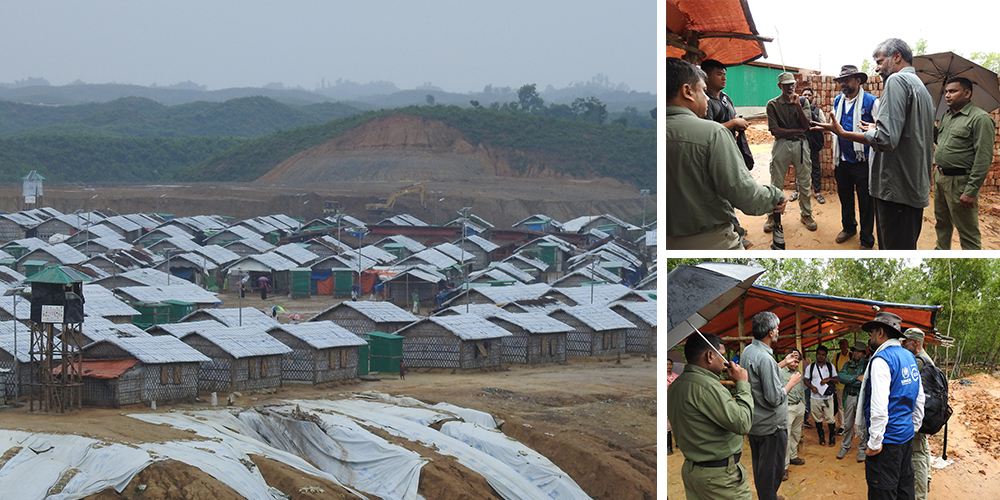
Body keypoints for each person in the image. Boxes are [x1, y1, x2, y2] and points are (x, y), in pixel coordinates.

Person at [812, 39, 935, 249]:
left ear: (896, 57)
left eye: (880, 61)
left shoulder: (896, 82)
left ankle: (866, 239)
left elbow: (886, 138)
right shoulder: (920, 88)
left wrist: (844, 133)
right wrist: (875, 129)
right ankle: (849, 226)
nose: (877, 67)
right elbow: (907, 132)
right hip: (911, 185)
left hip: (896, 187)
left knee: (893, 246)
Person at [665, 57, 788, 250]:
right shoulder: (712, 133)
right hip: (709, 241)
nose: (705, 97)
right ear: (687, 91)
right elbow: (746, 196)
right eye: (702, 90)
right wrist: (775, 195)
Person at [667, 332, 754, 500]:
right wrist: (742, 384)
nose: (725, 361)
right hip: (719, 479)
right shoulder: (707, 386)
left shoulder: (677, 385)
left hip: (694, 470)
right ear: (709, 355)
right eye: (722, 355)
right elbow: (743, 423)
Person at [858, 312, 925, 500]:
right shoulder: (909, 357)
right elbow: (919, 398)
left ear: (880, 332)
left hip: (887, 443)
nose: (870, 338)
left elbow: (879, 407)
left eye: (871, 333)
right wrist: (913, 427)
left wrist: (874, 443)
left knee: (883, 491)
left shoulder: (881, 360)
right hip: (905, 438)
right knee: (904, 488)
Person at [741, 311, 801, 500]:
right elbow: (774, 397)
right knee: (772, 473)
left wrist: (783, 362)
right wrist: (791, 382)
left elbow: (761, 374)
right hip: (771, 428)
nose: (778, 331)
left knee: (761, 467)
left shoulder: (749, 351)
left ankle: (767, 496)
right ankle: (769, 497)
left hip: (756, 424)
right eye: (777, 328)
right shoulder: (765, 359)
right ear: (770, 333)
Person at [933, 77, 996, 250]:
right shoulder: (947, 116)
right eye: (946, 91)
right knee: (942, 223)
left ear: (967, 93)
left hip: (960, 181)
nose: (947, 95)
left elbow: (983, 158)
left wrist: (971, 191)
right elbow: (940, 140)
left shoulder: (980, 119)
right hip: (940, 177)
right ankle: (941, 252)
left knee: (967, 230)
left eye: (953, 91)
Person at [701, 59, 756, 248]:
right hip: (714, 154)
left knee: (729, 192)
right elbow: (705, 130)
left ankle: (735, 228)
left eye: (725, 73)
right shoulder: (704, 101)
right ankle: (735, 233)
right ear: (706, 76)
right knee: (723, 194)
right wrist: (733, 124)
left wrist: (736, 121)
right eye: (719, 73)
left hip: (729, 150)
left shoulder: (725, 98)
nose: (724, 77)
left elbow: (731, 117)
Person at [831, 65, 879, 249]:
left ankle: (867, 239)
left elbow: (882, 130)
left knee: (866, 203)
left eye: (847, 80)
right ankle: (849, 227)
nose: (843, 83)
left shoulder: (871, 102)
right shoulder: (838, 101)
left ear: (858, 81)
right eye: (841, 80)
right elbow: (836, 127)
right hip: (842, 160)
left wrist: (875, 129)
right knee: (845, 198)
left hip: (863, 162)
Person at [765, 72, 817, 233]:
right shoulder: (772, 104)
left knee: (804, 181)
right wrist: (796, 130)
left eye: (792, 84)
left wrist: (798, 106)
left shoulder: (802, 101)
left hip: (801, 145)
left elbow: (807, 125)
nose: (790, 87)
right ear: (780, 86)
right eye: (786, 84)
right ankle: (772, 216)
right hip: (782, 145)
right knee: (776, 181)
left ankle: (806, 214)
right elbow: (775, 130)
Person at [902, 328, 933, 500]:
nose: (903, 345)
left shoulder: (918, 361)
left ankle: (920, 494)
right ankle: (926, 479)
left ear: (915, 342)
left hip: (918, 415)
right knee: (923, 447)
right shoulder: (925, 358)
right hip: (925, 414)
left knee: (917, 454)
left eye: (906, 342)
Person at [838, 341, 870, 461]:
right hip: (849, 397)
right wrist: (856, 378)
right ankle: (845, 447)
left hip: (861, 398)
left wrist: (850, 380)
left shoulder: (867, 365)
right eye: (855, 351)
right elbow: (841, 377)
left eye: (859, 351)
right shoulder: (848, 364)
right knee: (848, 424)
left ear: (863, 353)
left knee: (862, 425)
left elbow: (866, 381)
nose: (856, 353)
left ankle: (862, 449)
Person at [805, 345, 838, 447]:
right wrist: (811, 387)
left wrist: (828, 379)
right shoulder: (810, 367)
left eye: (823, 355)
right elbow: (806, 380)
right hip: (815, 397)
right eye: (819, 354)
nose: (821, 356)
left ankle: (832, 438)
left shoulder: (830, 366)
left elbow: (836, 379)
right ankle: (822, 438)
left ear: (826, 356)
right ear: (816, 354)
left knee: (830, 418)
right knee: (817, 419)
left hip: (828, 398)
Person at [782, 348, 807, 482]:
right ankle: (784, 467)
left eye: (798, 362)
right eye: (794, 361)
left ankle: (793, 456)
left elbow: (801, 388)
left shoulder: (797, 372)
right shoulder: (779, 372)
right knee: (785, 437)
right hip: (787, 408)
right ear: (787, 357)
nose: (796, 364)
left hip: (799, 407)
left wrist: (803, 402)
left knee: (796, 434)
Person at [800, 87, 826, 204]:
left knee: (815, 167)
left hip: (813, 144)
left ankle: (817, 192)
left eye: (809, 95)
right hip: (800, 144)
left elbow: (824, 126)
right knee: (799, 168)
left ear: (812, 97)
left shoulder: (817, 111)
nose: (806, 97)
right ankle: (798, 191)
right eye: (804, 94)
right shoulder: (796, 110)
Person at [833, 339, 853, 435]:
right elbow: (833, 370)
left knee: (850, 406)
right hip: (840, 385)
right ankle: (842, 426)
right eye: (840, 344)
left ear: (847, 345)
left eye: (844, 344)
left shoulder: (852, 355)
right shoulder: (836, 356)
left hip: (850, 384)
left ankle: (849, 425)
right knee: (841, 406)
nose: (842, 346)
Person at [666, 358, 679, 455]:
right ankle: (669, 448)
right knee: (667, 426)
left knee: (678, 423)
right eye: (667, 364)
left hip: (676, 402)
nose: (669, 366)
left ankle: (679, 443)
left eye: (670, 364)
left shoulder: (676, 376)